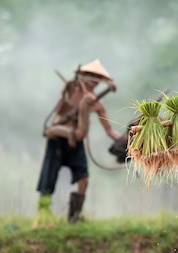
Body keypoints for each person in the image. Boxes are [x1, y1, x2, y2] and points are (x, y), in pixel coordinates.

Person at [37, 59, 120, 223]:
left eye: (97, 77)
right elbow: (60, 109)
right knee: (49, 177)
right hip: (58, 138)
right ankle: (42, 216)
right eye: (89, 75)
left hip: (77, 139)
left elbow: (109, 130)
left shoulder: (97, 104)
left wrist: (129, 143)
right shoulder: (71, 90)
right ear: (83, 76)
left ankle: (74, 217)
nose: (92, 80)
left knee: (83, 179)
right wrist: (70, 91)